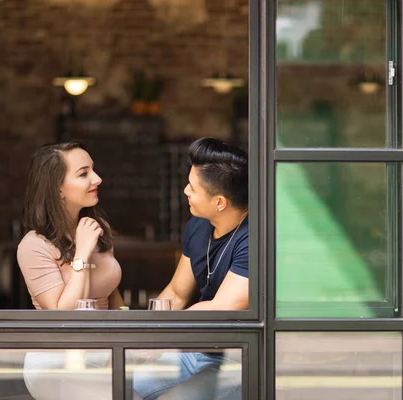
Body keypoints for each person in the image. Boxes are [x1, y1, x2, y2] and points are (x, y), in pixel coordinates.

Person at [133, 137, 247, 400]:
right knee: (122, 385)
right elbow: (176, 293)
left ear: (220, 202)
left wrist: (166, 337)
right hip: (191, 351)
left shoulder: (252, 238)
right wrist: (146, 336)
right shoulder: (199, 224)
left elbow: (221, 309)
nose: (185, 190)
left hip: (235, 359)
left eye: (193, 188)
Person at [16, 141, 124, 400]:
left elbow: (111, 293)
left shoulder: (98, 228)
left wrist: (128, 337)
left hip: (106, 353)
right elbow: (62, 315)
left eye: (93, 170)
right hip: (56, 360)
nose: (97, 178)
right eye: (83, 173)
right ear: (58, 189)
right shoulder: (33, 246)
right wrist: (82, 254)